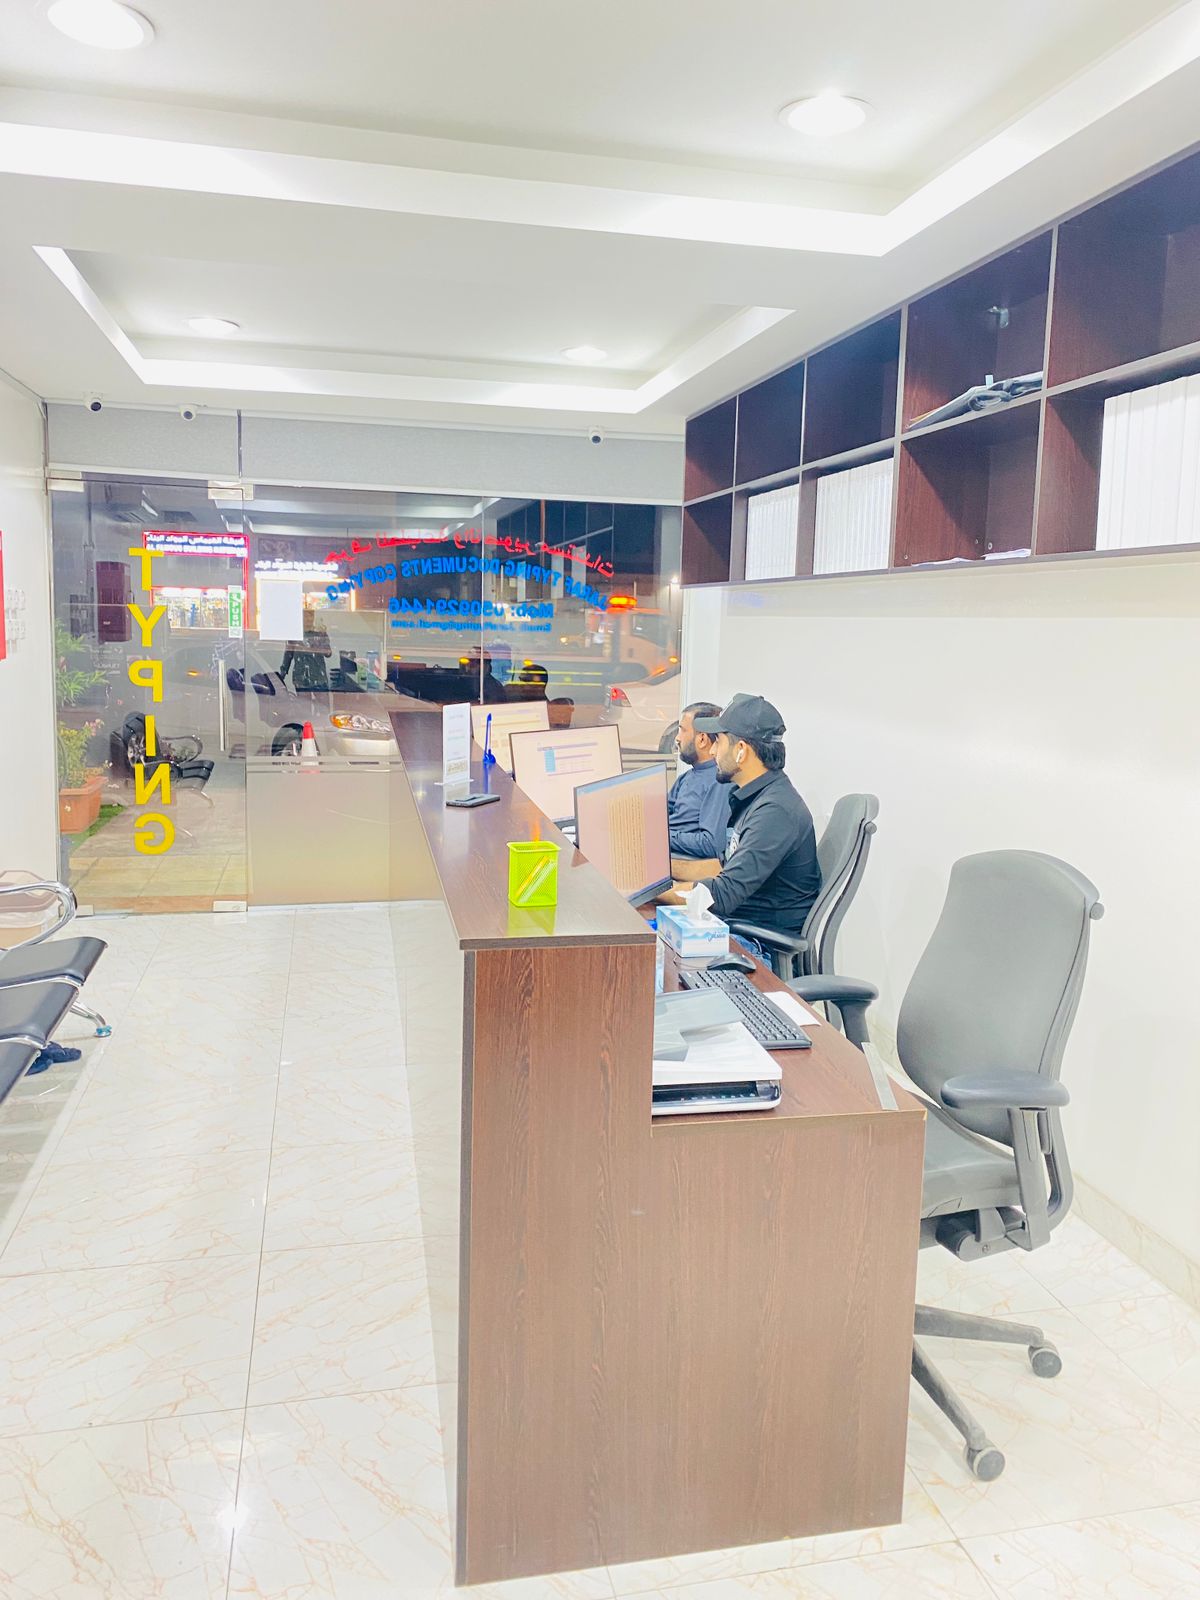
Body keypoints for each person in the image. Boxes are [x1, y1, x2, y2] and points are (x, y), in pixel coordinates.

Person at [689, 693, 821, 937]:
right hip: (741, 924)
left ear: (741, 750)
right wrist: (666, 875)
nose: (713, 750)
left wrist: (659, 893)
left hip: (758, 943)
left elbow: (721, 896)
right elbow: (725, 867)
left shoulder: (775, 812)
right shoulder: (757, 796)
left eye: (719, 741)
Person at [668, 701, 732, 859]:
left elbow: (712, 844)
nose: (677, 738)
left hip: (682, 858)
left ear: (702, 739)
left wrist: (663, 837)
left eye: (682, 730)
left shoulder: (720, 781)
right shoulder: (687, 777)